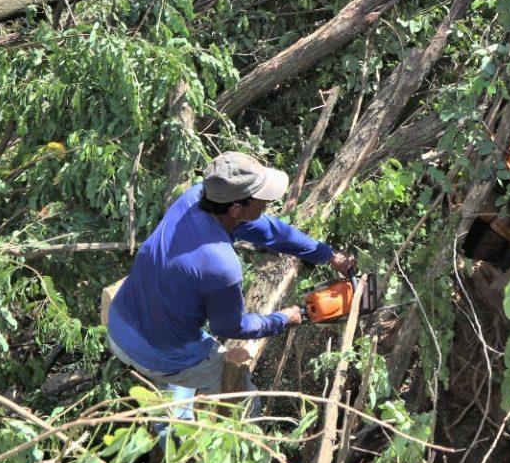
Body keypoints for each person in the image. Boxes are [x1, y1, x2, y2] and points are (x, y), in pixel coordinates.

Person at [105, 151, 356, 415]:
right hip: (157, 351)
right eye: (262, 200)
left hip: (121, 322)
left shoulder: (197, 198)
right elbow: (230, 326)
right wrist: (283, 318)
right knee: (245, 405)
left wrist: (328, 255)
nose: (267, 204)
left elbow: (271, 232)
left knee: (174, 360)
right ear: (237, 209)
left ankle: (173, 404)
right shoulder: (220, 265)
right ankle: (218, 442)